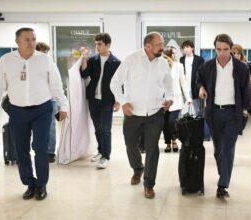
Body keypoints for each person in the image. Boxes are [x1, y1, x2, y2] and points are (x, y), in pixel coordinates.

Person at [0, 27, 68, 201]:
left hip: (42, 110)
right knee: (21, 149)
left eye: (33, 39)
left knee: (40, 148)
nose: (31, 43)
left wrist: (63, 106)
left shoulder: (45, 59)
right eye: (26, 39)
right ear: (17, 41)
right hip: (17, 111)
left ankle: (42, 185)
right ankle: (30, 184)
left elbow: (56, 85)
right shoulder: (6, 60)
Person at [110, 32, 173, 199]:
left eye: (162, 43)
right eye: (159, 44)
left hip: (155, 113)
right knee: (130, 144)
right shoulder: (132, 59)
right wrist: (123, 102)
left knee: (153, 149)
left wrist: (170, 98)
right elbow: (115, 82)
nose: (162, 47)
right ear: (148, 46)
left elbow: (168, 83)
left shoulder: (163, 63)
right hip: (133, 113)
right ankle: (138, 168)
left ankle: (149, 184)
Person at [197, 34, 251, 198]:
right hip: (213, 113)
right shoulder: (207, 67)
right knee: (218, 150)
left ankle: (223, 185)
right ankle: (224, 172)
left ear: (231, 49)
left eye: (225, 49)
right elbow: (199, 81)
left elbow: (246, 90)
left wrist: (245, 109)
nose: (222, 53)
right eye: (218, 49)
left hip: (233, 113)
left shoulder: (241, 68)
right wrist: (200, 88)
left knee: (228, 149)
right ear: (215, 49)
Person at [80, 33, 121, 169]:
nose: (97, 46)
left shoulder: (116, 62)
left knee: (105, 129)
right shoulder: (92, 60)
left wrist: (118, 101)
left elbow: (120, 83)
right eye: (96, 44)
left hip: (107, 101)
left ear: (108, 45)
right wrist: (84, 59)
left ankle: (106, 157)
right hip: (93, 99)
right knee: (97, 129)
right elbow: (84, 74)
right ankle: (100, 151)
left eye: (100, 44)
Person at [162, 47, 191, 153]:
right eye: (174, 53)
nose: (175, 55)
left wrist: (188, 98)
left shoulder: (179, 66)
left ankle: (174, 140)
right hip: (163, 100)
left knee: (172, 122)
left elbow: (183, 82)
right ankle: (168, 143)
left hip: (176, 99)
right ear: (169, 54)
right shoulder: (160, 65)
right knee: (165, 123)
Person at [35, 42, 58, 163]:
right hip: (36, 101)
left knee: (50, 127)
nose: (46, 55)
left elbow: (57, 84)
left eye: (46, 52)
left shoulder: (52, 65)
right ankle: (39, 150)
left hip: (50, 100)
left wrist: (61, 102)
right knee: (37, 127)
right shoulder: (31, 65)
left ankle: (50, 152)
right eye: (44, 52)